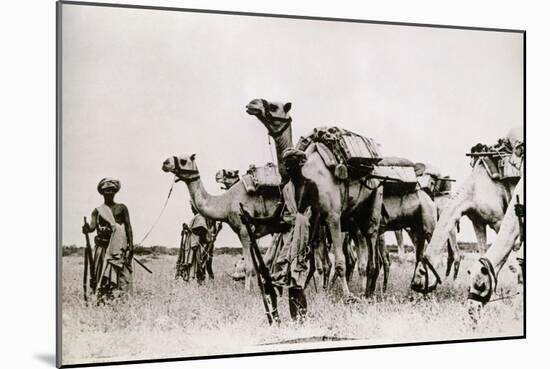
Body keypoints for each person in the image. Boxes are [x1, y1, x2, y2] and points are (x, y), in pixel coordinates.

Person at [244, 148, 320, 321]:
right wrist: (253, 220)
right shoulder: (286, 189)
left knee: (296, 283)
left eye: (290, 164)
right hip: (285, 239)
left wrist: (312, 242)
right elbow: (274, 218)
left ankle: (300, 322)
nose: (287, 167)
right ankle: (276, 319)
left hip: (302, 238)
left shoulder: (310, 186)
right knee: (272, 280)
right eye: (285, 164)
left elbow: (317, 214)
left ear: (299, 164)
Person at [82, 178, 134, 301]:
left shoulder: (122, 208)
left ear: (115, 192)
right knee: (101, 274)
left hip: (118, 248)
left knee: (120, 275)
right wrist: (87, 229)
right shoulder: (97, 211)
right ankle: (101, 300)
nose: (109, 193)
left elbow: (128, 228)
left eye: (111, 190)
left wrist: (131, 246)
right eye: (106, 190)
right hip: (102, 248)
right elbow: (93, 227)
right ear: (102, 192)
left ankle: (120, 300)